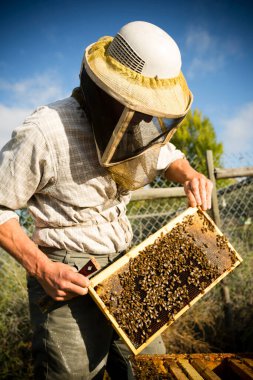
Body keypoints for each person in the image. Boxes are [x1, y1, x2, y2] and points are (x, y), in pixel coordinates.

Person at [0, 21, 213, 379]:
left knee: (152, 369)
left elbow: (166, 154)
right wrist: (41, 268)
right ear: (107, 90)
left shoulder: (134, 124)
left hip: (125, 266)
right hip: (68, 275)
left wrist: (190, 173)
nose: (147, 116)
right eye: (140, 105)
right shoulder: (45, 129)